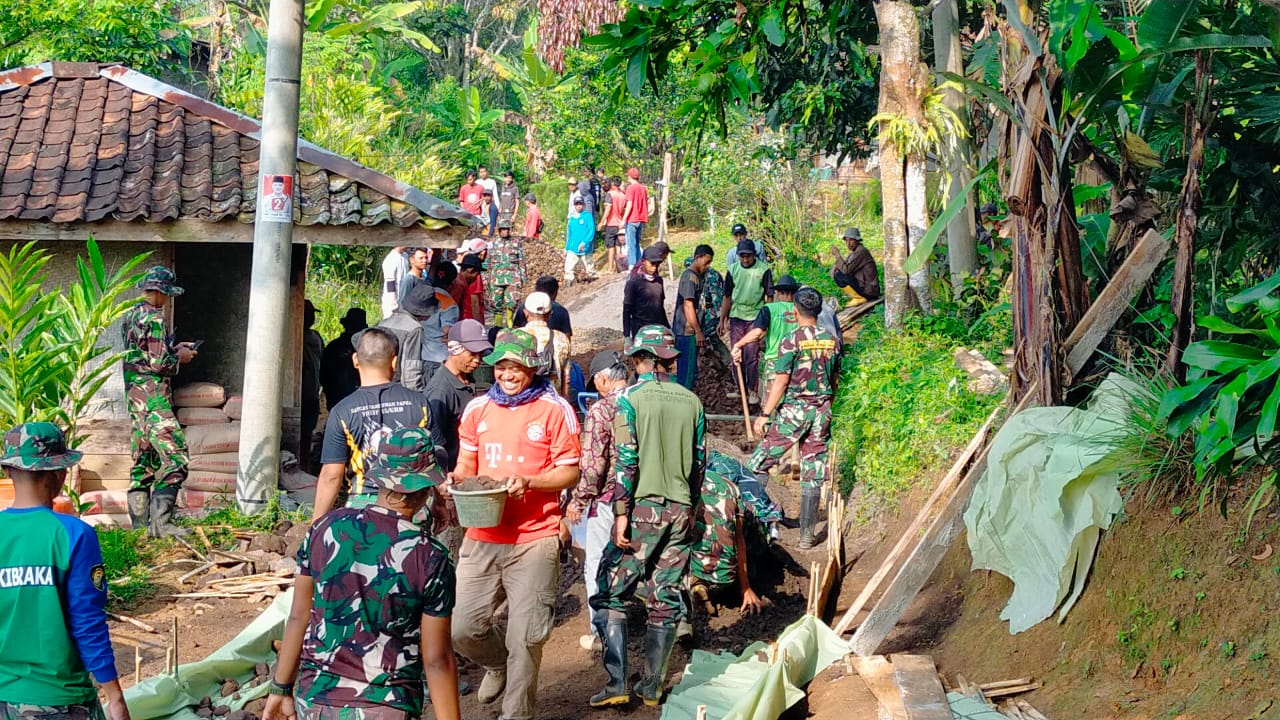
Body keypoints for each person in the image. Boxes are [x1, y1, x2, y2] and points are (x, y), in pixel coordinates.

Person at [265, 427, 460, 720]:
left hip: (317, 700)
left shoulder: (324, 529)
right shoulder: (430, 557)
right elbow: (436, 659)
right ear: (426, 488)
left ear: (379, 478)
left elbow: (298, 616)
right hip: (388, 705)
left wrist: (280, 689)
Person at [449, 329, 581, 720]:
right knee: (462, 628)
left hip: (535, 537)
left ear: (532, 368)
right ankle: (496, 663)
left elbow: (570, 471)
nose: (507, 374)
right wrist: (454, 481)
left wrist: (533, 482)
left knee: (525, 637)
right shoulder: (478, 410)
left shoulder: (554, 409)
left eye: (516, 367)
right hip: (483, 534)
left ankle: (516, 714)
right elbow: (466, 466)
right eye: (502, 366)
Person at [589, 325, 705, 708]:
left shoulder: (629, 400)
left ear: (641, 359)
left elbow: (626, 460)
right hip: (681, 509)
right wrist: (693, 507)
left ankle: (618, 682)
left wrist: (620, 512)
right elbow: (700, 464)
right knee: (666, 594)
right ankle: (653, 686)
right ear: (670, 361)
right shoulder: (692, 401)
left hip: (643, 507)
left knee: (609, 591)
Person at [0, 422, 130, 720]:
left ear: (8, 471)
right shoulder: (74, 534)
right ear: (59, 474)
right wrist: (115, 697)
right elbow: (87, 621)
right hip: (59, 701)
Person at [312, 327, 444, 519]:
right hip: (410, 506)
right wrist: (439, 503)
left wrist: (316, 525)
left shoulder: (342, 411)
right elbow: (436, 457)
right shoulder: (419, 403)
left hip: (362, 506)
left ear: (356, 360)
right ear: (395, 362)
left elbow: (332, 476)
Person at [747, 288, 839, 549]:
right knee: (813, 470)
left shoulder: (791, 341)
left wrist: (764, 414)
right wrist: (825, 405)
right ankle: (807, 537)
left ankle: (757, 523)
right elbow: (834, 378)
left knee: (758, 463)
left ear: (795, 311)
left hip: (794, 412)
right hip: (822, 410)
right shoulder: (832, 340)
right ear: (819, 311)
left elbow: (781, 381)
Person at [122, 265, 196, 537]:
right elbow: (158, 363)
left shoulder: (131, 315)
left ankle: (139, 529)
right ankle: (162, 525)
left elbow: (141, 356)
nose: (167, 300)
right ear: (160, 292)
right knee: (176, 458)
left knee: (144, 461)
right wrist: (180, 359)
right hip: (153, 400)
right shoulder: (154, 317)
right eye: (167, 295)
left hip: (135, 401)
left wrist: (171, 349)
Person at [565, 350, 629, 653]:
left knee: (597, 564)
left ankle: (600, 630)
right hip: (649, 498)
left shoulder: (602, 410)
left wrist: (578, 500)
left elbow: (593, 466)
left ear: (603, 379)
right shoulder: (643, 402)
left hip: (609, 498)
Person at [689, 466, 765, 615]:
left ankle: (697, 584)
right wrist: (746, 588)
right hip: (727, 575)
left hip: (697, 566)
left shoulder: (689, 483)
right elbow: (740, 540)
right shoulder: (733, 488)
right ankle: (716, 586)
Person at [423, 319, 492, 472]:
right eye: (472, 354)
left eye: (480, 354)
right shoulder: (440, 392)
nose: (477, 360)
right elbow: (434, 445)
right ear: (454, 349)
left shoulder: (467, 377)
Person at [719, 240, 773, 405]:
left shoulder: (763, 270)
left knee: (751, 355)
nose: (745, 259)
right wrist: (723, 319)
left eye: (748, 256)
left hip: (755, 316)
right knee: (736, 353)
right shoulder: (733, 270)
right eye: (742, 256)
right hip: (737, 316)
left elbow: (769, 297)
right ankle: (739, 388)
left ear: (754, 255)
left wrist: (767, 320)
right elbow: (727, 296)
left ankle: (752, 390)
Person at [729, 274, 800, 397]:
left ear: (777, 293)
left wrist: (739, 344)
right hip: (798, 362)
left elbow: (758, 332)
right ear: (794, 293)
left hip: (775, 362)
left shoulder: (769, 309)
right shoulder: (801, 309)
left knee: (771, 402)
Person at [378, 285, 435, 391]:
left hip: (379, 382)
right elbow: (411, 369)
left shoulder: (384, 322)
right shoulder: (414, 328)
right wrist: (415, 395)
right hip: (397, 387)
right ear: (425, 312)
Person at [672, 244, 713, 390]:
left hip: (690, 332)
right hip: (687, 332)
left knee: (690, 370)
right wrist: (698, 331)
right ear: (697, 258)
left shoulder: (697, 277)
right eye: (706, 262)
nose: (708, 266)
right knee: (687, 373)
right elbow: (688, 305)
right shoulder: (690, 278)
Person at [522, 291, 572, 396]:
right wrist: (565, 403)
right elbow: (566, 378)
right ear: (550, 315)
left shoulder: (514, 336)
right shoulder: (561, 338)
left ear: (525, 313)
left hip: (522, 400)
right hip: (552, 401)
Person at [320, 308, 367, 410]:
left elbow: (323, 376)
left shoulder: (333, 347)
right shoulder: (366, 348)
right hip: (360, 400)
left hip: (336, 400)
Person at [622, 245, 669, 340]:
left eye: (657, 264)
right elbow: (626, 311)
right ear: (643, 262)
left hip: (658, 329)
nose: (654, 268)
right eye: (652, 264)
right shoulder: (633, 283)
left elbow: (660, 307)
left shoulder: (659, 281)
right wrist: (627, 336)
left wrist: (668, 328)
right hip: (641, 331)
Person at [420, 280, 460, 383]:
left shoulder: (420, 295)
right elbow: (447, 330)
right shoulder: (447, 300)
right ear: (452, 283)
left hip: (422, 356)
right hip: (441, 357)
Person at [828, 227, 881, 305]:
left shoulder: (861, 252)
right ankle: (858, 296)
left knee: (839, 276)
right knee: (838, 273)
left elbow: (846, 270)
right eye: (846, 240)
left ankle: (860, 297)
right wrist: (836, 268)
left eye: (851, 240)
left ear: (857, 240)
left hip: (869, 291)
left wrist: (837, 255)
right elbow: (843, 266)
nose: (848, 243)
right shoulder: (855, 253)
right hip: (865, 287)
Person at [488, 221, 527, 328]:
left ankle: (510, 323)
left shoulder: (516, 242)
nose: (505, 231)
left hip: (513, 278)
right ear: (499, 230)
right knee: (496, 303)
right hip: (496, 279)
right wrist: (486, 279)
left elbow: (521, 261)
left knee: (512, 302)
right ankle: (497, 327)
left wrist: (523, 278)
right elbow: (488, 262)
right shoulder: (493, 243)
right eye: (503, 229)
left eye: (507, 229)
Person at [302, 300, 324, 471]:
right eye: (309, 314)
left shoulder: (315, 337)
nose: (312, 318)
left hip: (312, 394)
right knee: (303, 432)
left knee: (308, 431)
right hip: (302, 394)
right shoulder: (296, 337)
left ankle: (306, 464)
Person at [621, 167, 651, 267]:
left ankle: (632, 265)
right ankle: (638, 264)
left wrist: (623, 219)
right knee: (637, 243)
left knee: (631, 243)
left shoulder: (630, 188)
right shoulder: (643, 188)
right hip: (640, 219)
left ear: (630, 177)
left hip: (632, 219)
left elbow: (629, 204)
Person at [565, 196, 597, 286]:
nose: (579, 206)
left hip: (585, 249)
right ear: (574, 206)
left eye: (580, 204)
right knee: (568, 268)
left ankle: (595, 285)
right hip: (573, 248)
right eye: (577, 204)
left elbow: (591, 231)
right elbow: (570, 235)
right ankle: (569, 286)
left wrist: (585, 242)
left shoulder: (587, 216)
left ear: (583, 205)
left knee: (590, 269)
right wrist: (566, 248)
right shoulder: (571, 220)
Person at [600, 177, 626, 273]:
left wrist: (602, 221)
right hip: (620, 224)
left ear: (612, 184)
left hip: (611, 224)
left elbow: (608, 209)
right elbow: (624, 210)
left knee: (611, 247)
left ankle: (610, 268)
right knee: (618, 247)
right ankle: (619, 268)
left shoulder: (610, 194)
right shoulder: (623, 195)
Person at [452, 254, 486, 323]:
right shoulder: (459, 285)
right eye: (477, 273)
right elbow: (475, 305)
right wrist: (478, 325)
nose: (477, 277)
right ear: (471, 271)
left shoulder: (460, 282)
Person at [380, 247, 409, 319]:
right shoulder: (391, 258)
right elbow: (390, 282)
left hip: (403, 298)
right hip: (392, 299)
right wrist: (393, 303)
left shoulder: (405, 256)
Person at [478, 166, 500, 234]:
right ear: (479, 173)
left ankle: (490, 234)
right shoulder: (477, 182)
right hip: (481, 207)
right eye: (481, 172)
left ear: (487, 172)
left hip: (490, 207)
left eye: (484, 171)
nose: (483, 173)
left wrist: (498, 207)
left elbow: (495, 195)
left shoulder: (492, 182)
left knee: (492, 222)